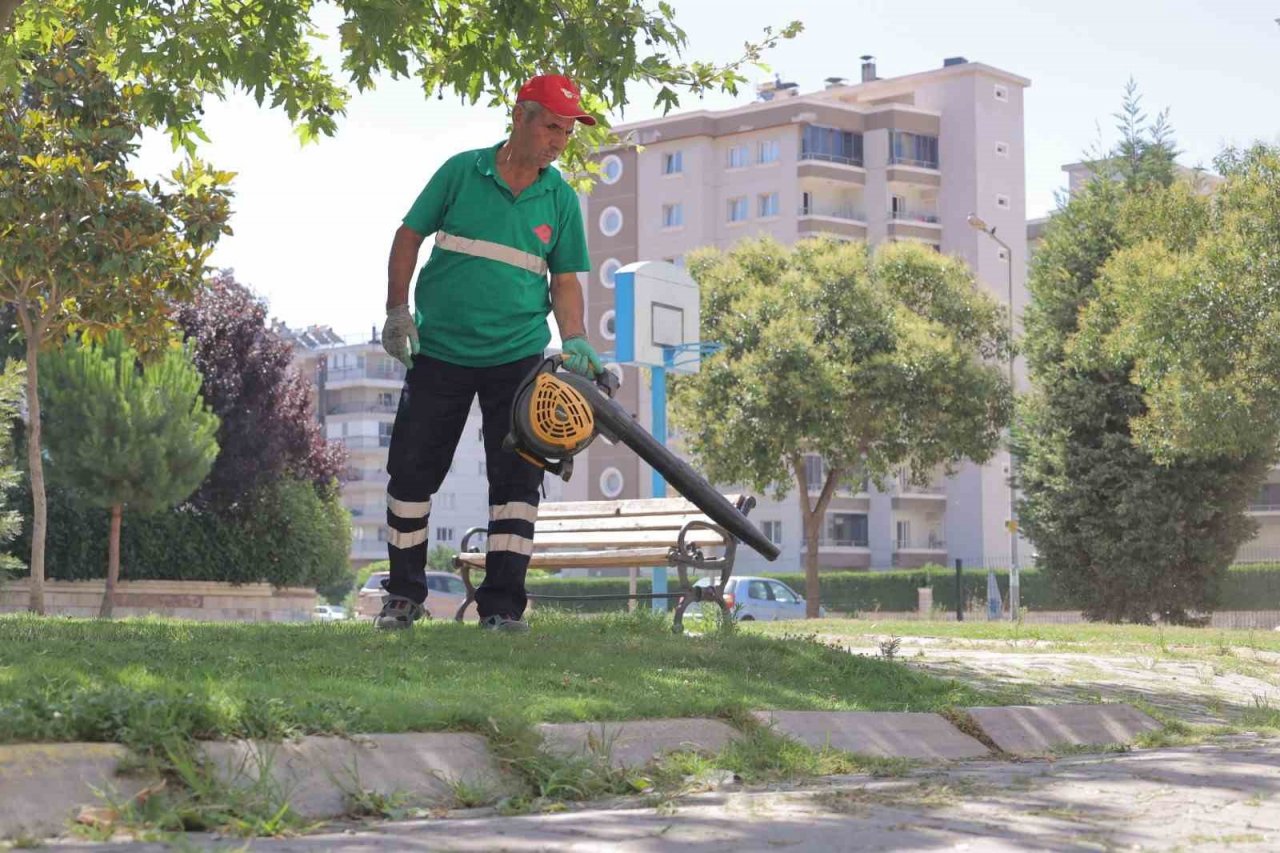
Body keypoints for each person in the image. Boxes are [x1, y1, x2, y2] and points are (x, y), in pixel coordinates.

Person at [376, 74, 603, 632]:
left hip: (518, 358)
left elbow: (565, 278)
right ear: (520, 116)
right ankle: (403, 597)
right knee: (410, 473)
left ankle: (501, 608)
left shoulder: (561, 198)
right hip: (441, 351)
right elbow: (409, 235)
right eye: (552, 125)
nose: (559, 140)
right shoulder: (462, 171)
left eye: (568, 131)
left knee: (518, 486)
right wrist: (396, 310)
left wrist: (574, 336)